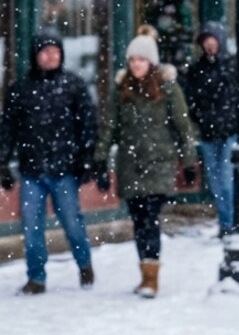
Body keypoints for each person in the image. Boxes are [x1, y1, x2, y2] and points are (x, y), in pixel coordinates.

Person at [93, 32, 195, 297]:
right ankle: (145, 274)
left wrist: (188, 161)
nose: (136, 64)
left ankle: (152, 279)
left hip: (159, 163)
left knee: (149, 218)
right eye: (132, 59)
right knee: (138, 220)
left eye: (141, 59)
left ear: (151, 62)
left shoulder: (168, 88)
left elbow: (183, 127)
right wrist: (100, 160)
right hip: (130, 165)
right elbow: (110, 127)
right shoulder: (122, 89)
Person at [0, 32, 98, 294]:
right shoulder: (21, 90)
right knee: (32, 229)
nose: (51, 55)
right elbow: (8, 128)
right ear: (35, 56)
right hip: (32, 170)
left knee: (73, 225)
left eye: (55, 50)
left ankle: (84, 264)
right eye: (45, 51)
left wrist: (86, 159)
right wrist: (2, 162)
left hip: (64, 169)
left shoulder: (73, 86)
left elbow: (87, 124)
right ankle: (37, 278)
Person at [181, 22, 239, 237]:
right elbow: (191, 99)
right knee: (215, 182)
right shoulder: (197, 70)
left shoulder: (231, 66)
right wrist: (201, 118)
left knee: (225, 179)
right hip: (208, 133)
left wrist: (230, 119)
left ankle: (230, 222)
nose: (209, 45)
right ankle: (226, 224)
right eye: (206, 41)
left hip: (228, 132)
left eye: (212, 40)